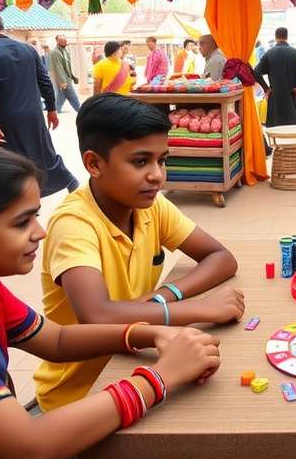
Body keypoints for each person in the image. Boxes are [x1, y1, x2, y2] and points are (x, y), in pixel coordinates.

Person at [0, 146, 223, 459]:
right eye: (21, 223)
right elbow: (30, 449)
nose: (40, 232)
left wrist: (151, 332)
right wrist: (162, 377)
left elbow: (56, 340)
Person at [34, 93, 243, 411]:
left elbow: (221, 257)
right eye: (140, 161)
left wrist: (165, 295)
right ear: (94, 164)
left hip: (136, 364)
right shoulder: (74, 224)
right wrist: (202, 309)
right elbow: (97, 315)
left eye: (163, 160)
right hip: (82, 395)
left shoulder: (151, 206)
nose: (157, 175)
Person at [0, 10, 78, 197]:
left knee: (17, 157)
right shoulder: (28, 49)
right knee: (43, 149)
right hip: (34, 112)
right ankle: (66, 179)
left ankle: (30, 194)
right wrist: (51, 109)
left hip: (7, 116)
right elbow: (44, 81)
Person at [253, 27, 296, 127]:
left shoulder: (269, 53)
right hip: (293, 95)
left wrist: (266, 88)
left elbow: (256, 72)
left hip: (276, 97)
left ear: (276, 37)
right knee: (294, 127)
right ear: (287, 37)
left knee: (276, 129)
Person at [47, 34, 81, 113]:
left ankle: (56, 110)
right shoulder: (55, 53)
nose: (66, 43)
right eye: (64, 41)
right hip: (62, 79)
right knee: (72, 95)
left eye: (66, 41)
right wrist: (63, 82)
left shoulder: (64, 51)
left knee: (62, 95)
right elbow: (58, 68)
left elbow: (67, 66)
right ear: (58, 42)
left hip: (66, 78)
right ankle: (81, 110)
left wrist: (73, 77)